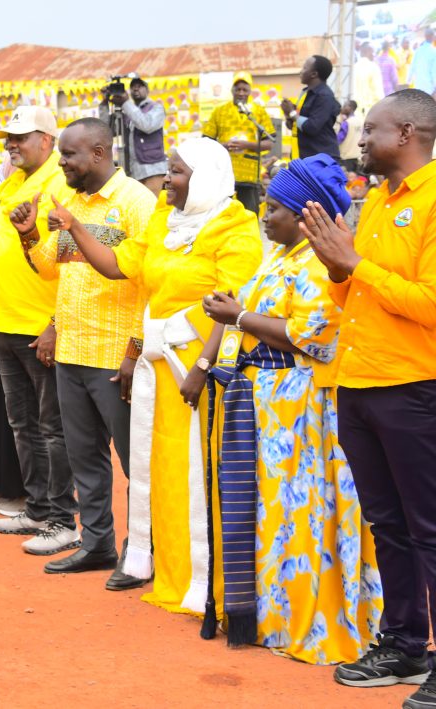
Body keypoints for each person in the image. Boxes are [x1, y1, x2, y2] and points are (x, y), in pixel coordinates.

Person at [50, 137, 263, 618]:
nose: (168, 179)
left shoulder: (236, 227)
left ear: (205, 178)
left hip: (203, 373)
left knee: (199, 473)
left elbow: (234, 304)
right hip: (159, 368)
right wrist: (74, 228)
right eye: (168, 170)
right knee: (157, 469)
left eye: (178, 171)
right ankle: (157, 562)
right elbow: (118, 266)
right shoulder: (165, 221)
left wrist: (205, 366)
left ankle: (206, 577)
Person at [201, 153, 382, 662]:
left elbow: (316, 338)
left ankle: (314, 624)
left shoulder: (322, 264)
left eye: (275, 208)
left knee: (304, 514)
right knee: (271, 514)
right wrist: (239, 314)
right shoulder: (280, 255)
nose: (264, 215)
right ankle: (275, 620)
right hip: (265, 405)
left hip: (302, 406)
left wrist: (241, 318)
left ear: (307, 214)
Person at [303, 89, 436, 709]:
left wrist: (353, 261)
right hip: (358, 384)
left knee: (429, 530)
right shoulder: (376, 201)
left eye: (371, 130)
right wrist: (337, 271)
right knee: (388, 526)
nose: (358, 138)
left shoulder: (432, 200)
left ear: (407, 133)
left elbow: (430, 305)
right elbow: (354, 296)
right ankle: (406, 643)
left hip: (413, 388)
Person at [17, 117, 156, 585]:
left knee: (134, 460)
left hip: (117, 355)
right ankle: (96, 544)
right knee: (84, 459)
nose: (62, 162)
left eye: (69, 155)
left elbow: (149, 285)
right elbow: (52, 269)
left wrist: (135, 350)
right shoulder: (69, 202)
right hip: (74, 349)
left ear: (98, 153)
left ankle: (145, 552)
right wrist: (29, 236)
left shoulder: (137, 203)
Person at [0, 105, 78, 553]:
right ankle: (39, 507)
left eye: (21, 137)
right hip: (2, 319)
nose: (11, 144)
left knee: (52, 427)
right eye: (9, 137)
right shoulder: (11, 184)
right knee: (22, 424)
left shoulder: (61, 186)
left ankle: (63, 517)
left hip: (40, 324)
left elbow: (71, 263)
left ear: (47, 140)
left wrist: (56, 323)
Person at [202, 72, 276, 214]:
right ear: (232, 91)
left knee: (249, 214)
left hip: (249, 174)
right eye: (238, 89)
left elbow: (269, 143)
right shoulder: (220, 111)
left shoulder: (258, 112)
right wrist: (224, 146)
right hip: (224, 173)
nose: (241, 93)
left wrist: (246, 145)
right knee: (222, 214)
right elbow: (206, 141)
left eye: (245, 90)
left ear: (250, 92)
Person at [108, 77, 168, 194]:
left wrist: (125, 103)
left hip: (152, 170)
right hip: (133, 173)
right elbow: (109, 132)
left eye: (139, 86)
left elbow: (147, 125)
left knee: (151, 209)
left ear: (147, 90)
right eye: (132, 87)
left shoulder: (157, 108)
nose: (136, 89)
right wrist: (105, 103)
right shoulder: (128, 110)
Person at [281, 55, 342, 160]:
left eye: (305, 68)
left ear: (314, 74)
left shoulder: (324, 96)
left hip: (319, 158)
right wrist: (287, 114)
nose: (301, 71)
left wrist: (292, 112)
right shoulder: (305, 93)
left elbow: (312, 127)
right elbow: (295, 126)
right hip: (301, 156)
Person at [355, 44, 385, 116]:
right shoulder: (373, 67)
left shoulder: (354, 67)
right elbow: (378, 92)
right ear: (365, 52)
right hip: (369, 110)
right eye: (372, 52)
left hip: (355, 110)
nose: (374, 55)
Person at [337, 100, 364, 174]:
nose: (343, 108)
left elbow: (338, 139)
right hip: (357, 156)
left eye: (345, 106)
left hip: (346, 157)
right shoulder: (361, 122)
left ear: (350, 108)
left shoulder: (347, 123)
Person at [408, 27, 436, 96]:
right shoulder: (433, 52)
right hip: (430, 88)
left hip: (419, 87)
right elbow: (434, 72)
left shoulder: (418, 51)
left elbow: (412, 67)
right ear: (432, 37)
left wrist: (408, 81)